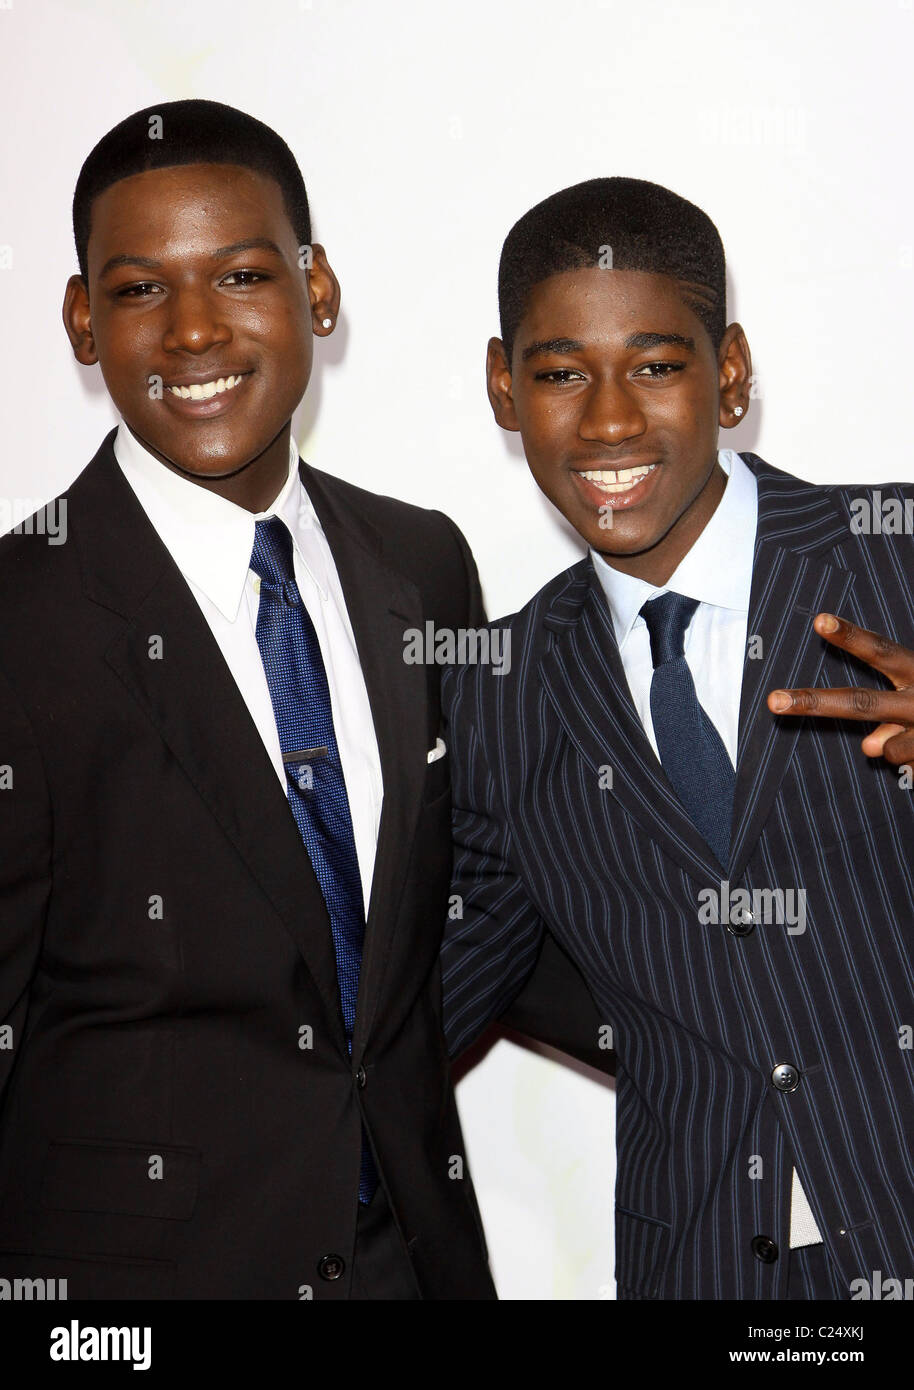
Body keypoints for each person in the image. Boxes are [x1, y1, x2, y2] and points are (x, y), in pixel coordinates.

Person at [0, 98, 494, 1300]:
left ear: (315, 291)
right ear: (80, 319)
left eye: (238, 272)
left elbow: (475, 910)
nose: (193, 331)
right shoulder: (20, 615)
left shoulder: (421, 561)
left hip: (407, 1266)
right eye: (136, 290)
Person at [441, 176, 914, 1301]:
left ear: (731, 372)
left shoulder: (892, 560)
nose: (607, 420)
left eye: (655, 366)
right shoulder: (497, 696)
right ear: (504, 390)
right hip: (703, 1268)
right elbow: (399, 1014)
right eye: (559, 373)